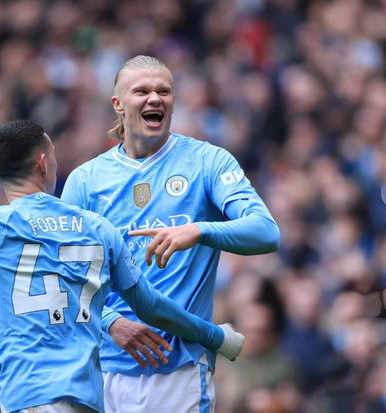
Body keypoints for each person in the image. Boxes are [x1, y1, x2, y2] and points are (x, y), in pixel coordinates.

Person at [0, 120, 245, 413]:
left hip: (31, 396)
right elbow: (153, 308)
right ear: (43, 163)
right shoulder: (98, 228)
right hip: (88, 399)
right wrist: (215, 337)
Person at [61, 55, 280, 412]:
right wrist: (112, 324)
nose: (155, 98)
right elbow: (65, 275)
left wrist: (199, 231)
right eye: (141, 91)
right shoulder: (85, 181)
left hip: (181, 369)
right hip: (104, 371)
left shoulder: (207, 161)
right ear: (117, 104)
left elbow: (266, 232)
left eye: (164, 91)